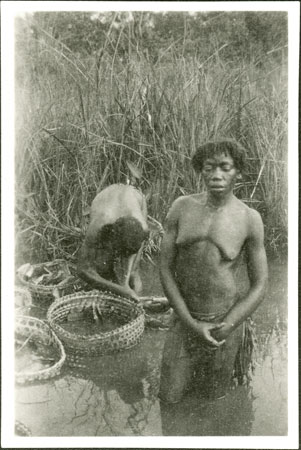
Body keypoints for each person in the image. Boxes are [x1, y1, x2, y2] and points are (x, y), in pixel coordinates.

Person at [159, 139, 268, 403]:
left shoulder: (249, 219)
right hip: (185, 321)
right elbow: (164, 268)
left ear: (238, 172)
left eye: (225, 167)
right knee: (169, 399)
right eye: (209, 168)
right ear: (201, 171)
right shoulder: (181, 207)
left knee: (213, 401)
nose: (216, 175)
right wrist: (191, 323)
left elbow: (261, 284)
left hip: (224, 325)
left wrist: (228, 326)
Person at [77, 184, 149, 301]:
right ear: (111, 237)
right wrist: (120, 290)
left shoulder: (144, 228)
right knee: (101, 267)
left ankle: (137, 304)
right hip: (105, 198)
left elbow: (134, 255)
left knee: (133, 274)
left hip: (135, 196)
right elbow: (83, 269)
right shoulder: (99, 225)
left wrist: (126, 281)